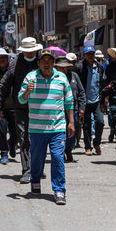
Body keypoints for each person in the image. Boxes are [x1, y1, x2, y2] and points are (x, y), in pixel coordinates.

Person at [18, 50, 75, 205]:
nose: (47, 63)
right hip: (37, 128)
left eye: (50, 60)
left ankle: (59, 191)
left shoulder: (62, 78)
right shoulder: (30, 77)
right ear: (38, 63)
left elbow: (69, 102)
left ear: (54, 62)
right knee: (37, 159)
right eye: (43, 60)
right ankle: (35, 181)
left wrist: (71, 122)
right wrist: (27, 92)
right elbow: (21, 100)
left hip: (58, 127)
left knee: (57, 158)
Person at [0, 37, 43, 183]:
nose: (29, 55)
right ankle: (27, 170)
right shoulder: (15, 63)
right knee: (24, 138)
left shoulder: (43, 61)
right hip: (21, 107)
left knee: (39, 140)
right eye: (26, 52)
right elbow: (4, 86)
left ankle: (37, 168)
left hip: (41, 108)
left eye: (32, 52)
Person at [74, 46, 105, 156]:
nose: (91, 56)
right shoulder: (79, 67)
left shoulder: (99, 67)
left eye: (92, 53)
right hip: (85, 101)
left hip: (97, 100)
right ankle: (88, 147)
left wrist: (104, 99)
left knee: (100, 122)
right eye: (88, 54)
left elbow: (102, 83)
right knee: (86, 125)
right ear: (84, 55)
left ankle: (97, 143)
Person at [55, 56, 85, 163]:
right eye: (61, 68)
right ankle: (61, 152)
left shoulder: (74, 76)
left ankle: (69, 150)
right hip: (58, 110)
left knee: (72, 131)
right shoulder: (53, 78)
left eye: (65, 67)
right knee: (60, 132)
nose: (63, 70)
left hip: (73, 109)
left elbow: (81, 92)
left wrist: (82, 108)